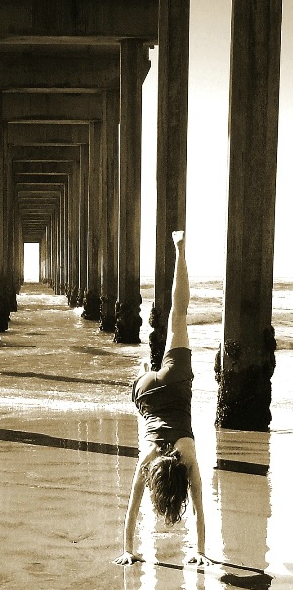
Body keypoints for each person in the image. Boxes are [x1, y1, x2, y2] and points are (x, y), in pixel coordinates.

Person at [115, 231, 210, 567]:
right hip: (144, 394)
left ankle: (180, 249)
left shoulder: (187, 457)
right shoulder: (149, 459)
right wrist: (126, 548)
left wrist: (201, 549)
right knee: (148, 413)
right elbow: (132, 508)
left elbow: (200, 508)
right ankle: (145, 371)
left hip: (174, 382)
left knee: (178, 315)